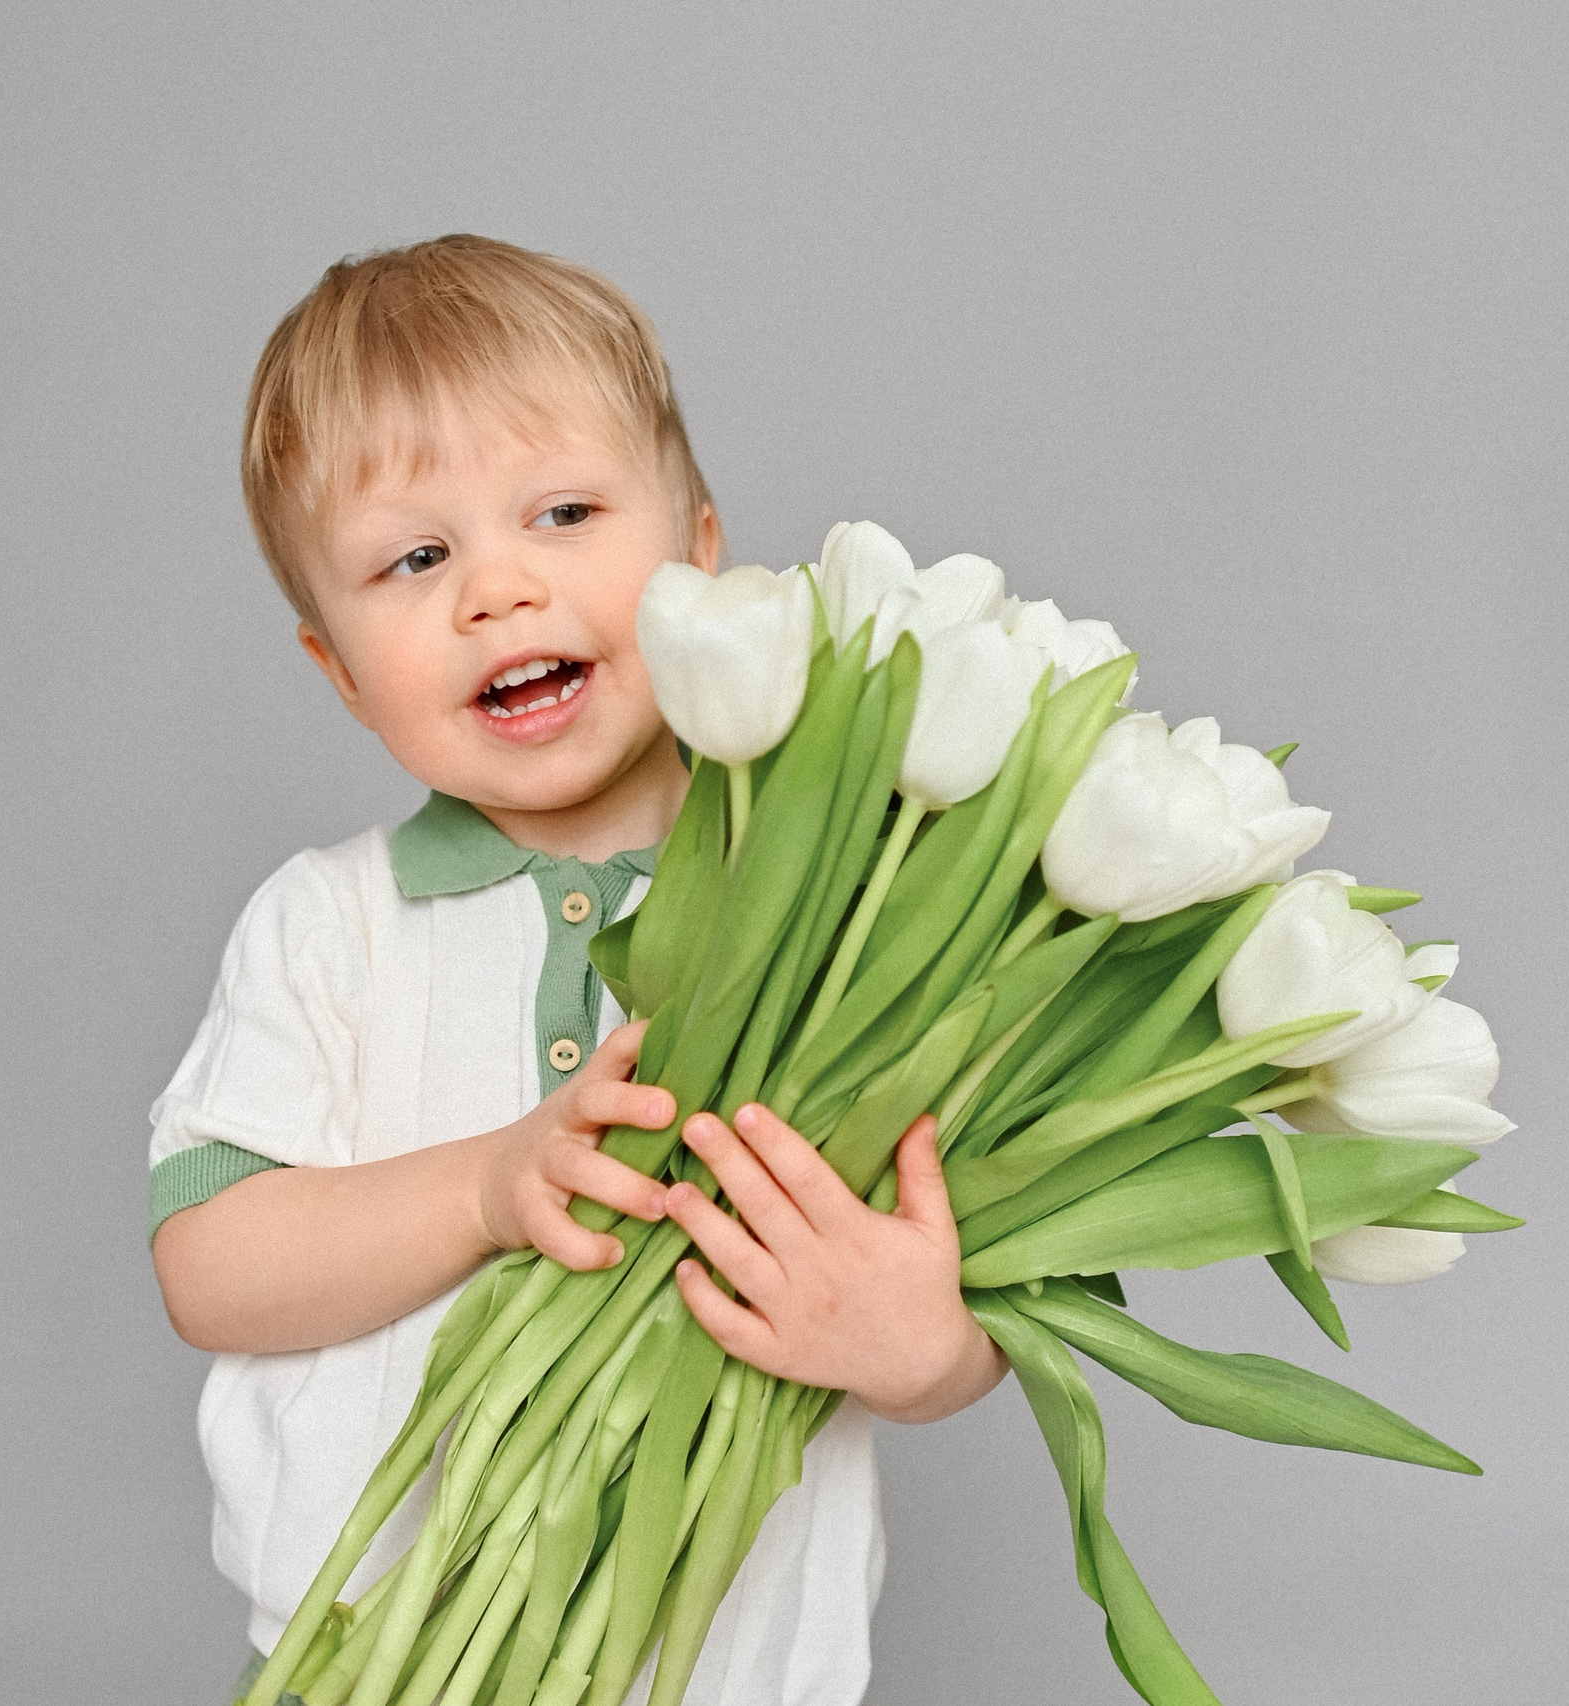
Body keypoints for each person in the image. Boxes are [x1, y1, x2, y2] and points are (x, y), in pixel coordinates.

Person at [147, 235, 1008, 1705]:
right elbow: (210, 1263)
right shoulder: (330, 924)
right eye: (415, 558)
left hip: (727, 1674)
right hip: (378, 1657)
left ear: (701, 552)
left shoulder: (841, 911)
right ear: (338, 670)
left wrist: (922, 1347)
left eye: (563, 513)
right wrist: (486, 1189)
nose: (497, 587)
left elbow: (961, 1279)